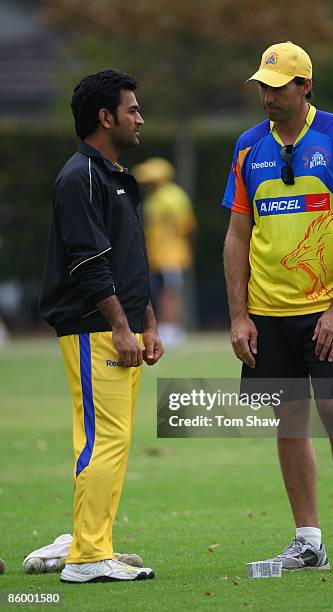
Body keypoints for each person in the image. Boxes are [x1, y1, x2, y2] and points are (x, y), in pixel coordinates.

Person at [222, 42, 333, 572]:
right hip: (267, 315)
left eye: (277, 86)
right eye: (262, 87)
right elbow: (236, 236)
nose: (266, 96)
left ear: (304, 86)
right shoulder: (248, 147)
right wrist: (239, 315)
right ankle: (309, 541)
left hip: (327, 312)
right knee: (289, 418)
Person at [39, 69, 164, 583]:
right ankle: (88, 557)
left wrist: (147, 322)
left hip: (119, 327)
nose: (140, 118)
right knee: (104, 437)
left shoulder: (114, 175)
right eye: (132, 109)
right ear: (105, 117)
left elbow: (132, 260)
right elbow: (89, 262)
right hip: (96, 326)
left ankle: (93, 543)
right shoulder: (80, 176)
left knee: (107, 438)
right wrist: (118, 325)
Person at [133, 158, 196, 348]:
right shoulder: (152, 199)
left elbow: (186, 226)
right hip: (156, 257)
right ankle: (166, 327)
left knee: (171, 292)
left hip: (172, 255)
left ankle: (173, 329)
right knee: (160, 293)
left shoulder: (174, 196)